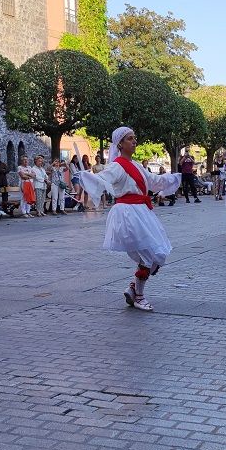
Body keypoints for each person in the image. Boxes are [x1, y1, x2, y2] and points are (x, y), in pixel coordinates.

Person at [79, 126, 182, 312]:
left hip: (141, 212)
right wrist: (87, 177)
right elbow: (103, 178)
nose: (134, 141)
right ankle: (139, 296)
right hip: (128, 214)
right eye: (130, 138)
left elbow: (153, 181)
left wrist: (172, 179)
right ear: (120, 144)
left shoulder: (136, 166)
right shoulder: (117, 166)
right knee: (148, 255)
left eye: (135, 138)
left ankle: (134, 288)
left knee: (158, 254)